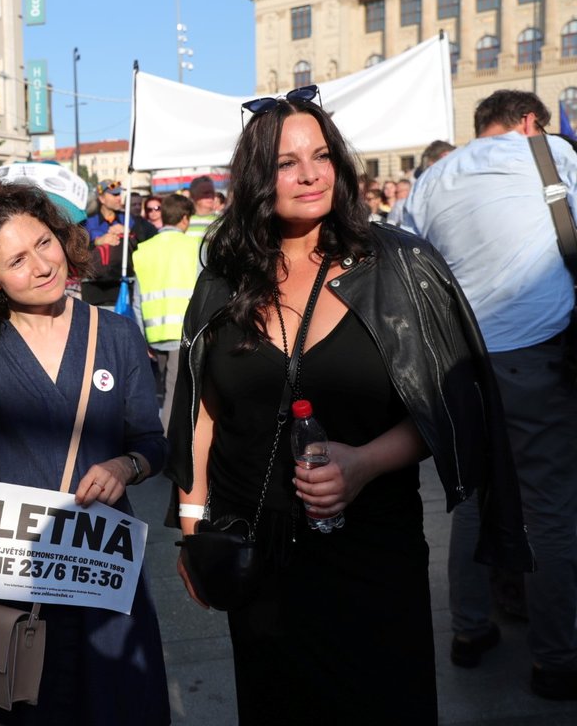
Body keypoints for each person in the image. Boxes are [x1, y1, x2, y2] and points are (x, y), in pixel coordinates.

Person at [167, 86, 532, 724]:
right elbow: (205, 411)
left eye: (321, 155)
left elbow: (445, 409)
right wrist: (196, 530)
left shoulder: (401, 265)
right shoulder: (224, 277)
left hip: (370, 547)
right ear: (257, 177)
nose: (309, 174)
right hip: (255, 544)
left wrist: (362, 463)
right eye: (286, 162)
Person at [0, 180, 169, 725]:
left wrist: (127, 465)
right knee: (34, 708)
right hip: (17, 578)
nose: (42, 266)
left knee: (117, 705)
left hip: (98, 568)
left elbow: (151, 441)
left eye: (45, 244)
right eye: (17, 261)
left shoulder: (115, 333)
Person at [404, 89, 577, 701]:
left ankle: (469, 632)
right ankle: (556, 657)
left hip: (460, 361)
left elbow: (409, 262)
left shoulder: (430, 179)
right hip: (539, 349)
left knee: (471, 499)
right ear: (529, 121)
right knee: (550, 508)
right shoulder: (551, 152)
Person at [131, 193, 199, 432]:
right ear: (183, 218)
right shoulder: (193, 247)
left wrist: (143, 336)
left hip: (154, 333)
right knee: (174, 391)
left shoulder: (143, 250)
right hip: (184, 331)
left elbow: (137, 301)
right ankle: (167, 443)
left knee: (165, 389)